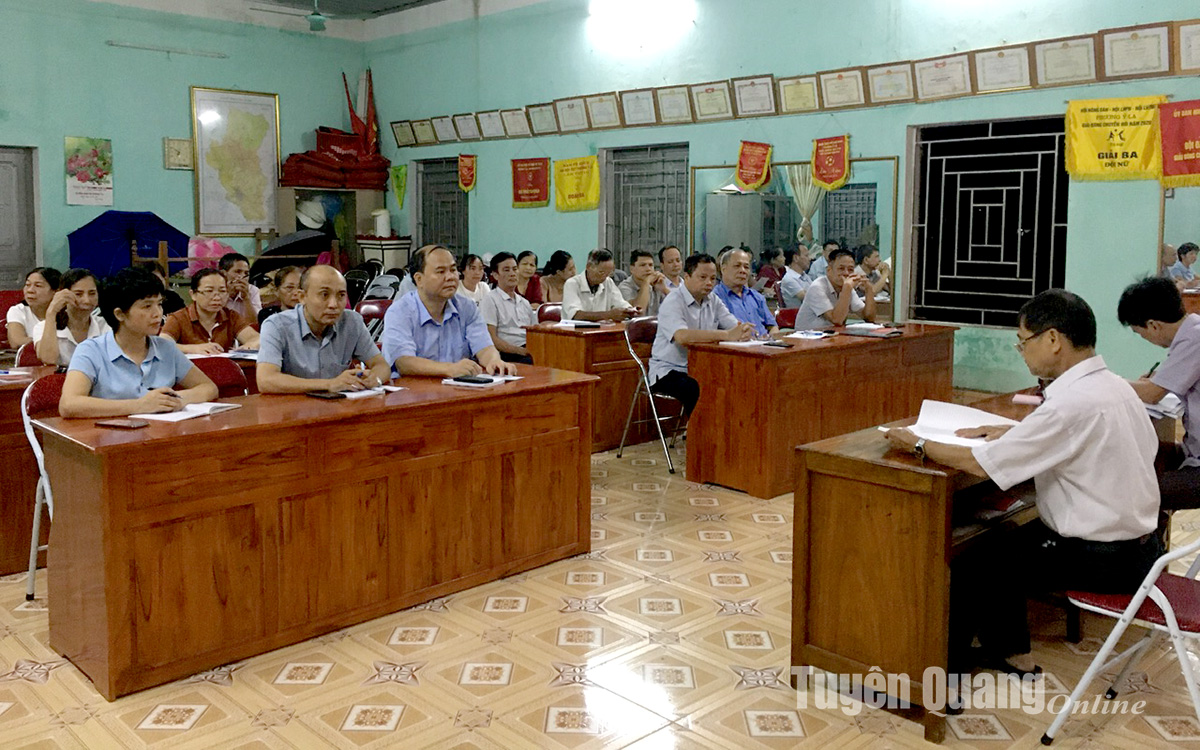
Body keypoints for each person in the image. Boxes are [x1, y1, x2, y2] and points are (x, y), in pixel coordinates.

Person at [886, 289, 1161, 676]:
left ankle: (943, 672)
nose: (1022, 351)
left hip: (1103, 560)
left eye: (1023, 341)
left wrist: (917, 443)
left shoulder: (1070, 404)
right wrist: (1016, 433)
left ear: (1053, 339)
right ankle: (1012, 651)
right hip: (1142, 550)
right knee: (1005, 541)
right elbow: (1081, 439)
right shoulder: (1115, 387)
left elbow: (977, 464)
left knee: (973, 562)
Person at [59, 267, 218, 418]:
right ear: (119, 314)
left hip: (161, 431)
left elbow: (208, 387)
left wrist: (175, 399)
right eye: (147, 306)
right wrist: (140, 405)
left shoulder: (166, 348)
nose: (158, 313)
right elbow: (69, 404)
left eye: (159, 304)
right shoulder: (90, 350)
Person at [1117, 276, 1200, 537]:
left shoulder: (1194, 340)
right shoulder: (1192, 332)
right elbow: (1159, 385)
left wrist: (1104, 380)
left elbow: (1152, 394)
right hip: (1194, 450)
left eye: (1140, 333)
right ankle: (1154, 545)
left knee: (1134, 493)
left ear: (1153, 325)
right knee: (1147, 457)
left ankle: (1148, 552)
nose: (1144, 338)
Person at [382, 244, 516, 377]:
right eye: (441, 272)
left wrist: (494, 362)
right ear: (419, 279)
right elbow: (404, 362)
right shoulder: (400, 312)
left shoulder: (467, 307)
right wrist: (449, 369)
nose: (450, 277)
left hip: (458, 386)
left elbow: (484, 347)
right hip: (413, 387)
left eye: (453, 270)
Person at [256, 265, 391, 394]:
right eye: (324, 295)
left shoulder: (352, 322)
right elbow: (266, 380)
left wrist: (374, 379)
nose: (333, 304)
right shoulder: (276, 325)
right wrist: (329, 384)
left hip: (339, 404)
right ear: (302, 297)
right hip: (292, 406)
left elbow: (381, 365)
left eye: (341, 295)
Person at [649, 253, 754, 415]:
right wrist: (726, 335)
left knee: (736, 379)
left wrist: (743, 332)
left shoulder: (713, 300)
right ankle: (699, 430)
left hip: (702, 366)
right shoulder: (673, 301)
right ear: (687, 277)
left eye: (712, 278)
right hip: (669, 371)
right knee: (698, 387)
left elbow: (734, 327)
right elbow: (682, 337)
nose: (709, 283)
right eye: (702, 277)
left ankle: (725, 427)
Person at [160, 269, 260, 354]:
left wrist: (247, 347)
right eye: (209, 291)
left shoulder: (231, 316)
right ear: (193, 294)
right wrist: (193, 349)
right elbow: (162, 344)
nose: (217, 297)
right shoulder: (178, 318)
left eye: (222, 291)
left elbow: (256, 339)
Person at [33, 268, 109, 366]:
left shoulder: (106, 325)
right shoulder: (43, 327)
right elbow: (48, 359)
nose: (87, 300)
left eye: (92, 293)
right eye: (78, 294)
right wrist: (51, 312)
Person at [794, 248, 877, 330]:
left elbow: (869, 318)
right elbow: (837, 320)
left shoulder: (847, 287)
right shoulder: (817, 287)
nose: (846, 273)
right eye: (841, 269)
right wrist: (847, 289)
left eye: (850, 270)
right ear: (829, 270)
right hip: (807, 336)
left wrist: (869, 290)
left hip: (831, 335)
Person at [479, 252, 538, 364]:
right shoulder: (490, 300)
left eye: (515, 269)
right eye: (506, 270)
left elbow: (535, 333)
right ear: (495, 275)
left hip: (527, 349)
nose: (512, 274)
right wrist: (520, 351)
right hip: (506, 354)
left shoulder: (524, 303)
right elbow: (491, 338)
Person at [713, 248, 777, 337]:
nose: (742, 271)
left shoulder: (757, 297)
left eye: (746, 267)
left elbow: (773, 326)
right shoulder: (714, 298)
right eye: (737, 266)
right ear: (723, 269)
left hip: (764, 343)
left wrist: (772, 340)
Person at [562, 248, 638, 322]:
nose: (604, 277)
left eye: (608, 273)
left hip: (602, 328)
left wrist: (631, 311)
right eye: (601, 272)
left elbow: (620, 303)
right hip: (575, 329)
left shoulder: (608, 282)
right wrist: (609, 315)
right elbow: (576, 315)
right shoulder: (572, 284)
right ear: (589, 266)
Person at [7, 267, 62, 349]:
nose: (30, 290)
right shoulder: (18, 311)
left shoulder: (69, 312)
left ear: (56, 292)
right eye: (27, 285)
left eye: (38, 286)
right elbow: (17, 342)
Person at [618, 250, 670, 316]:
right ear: (632, 269)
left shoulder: (656, 283)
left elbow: (679, 307)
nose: (648, 269)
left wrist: (664, 289)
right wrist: (646, 283)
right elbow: (638, 312)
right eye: (643, 265)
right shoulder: (624, 287)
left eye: (650, 265)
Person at [219, 252, 262, 317]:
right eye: (238, 272)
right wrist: (227, 295)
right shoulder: (215, 289)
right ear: (223, 273)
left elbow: (255, 321)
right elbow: (212, 317)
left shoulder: (252, 290)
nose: (242, 277)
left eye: (246, 273)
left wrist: (246, 298)